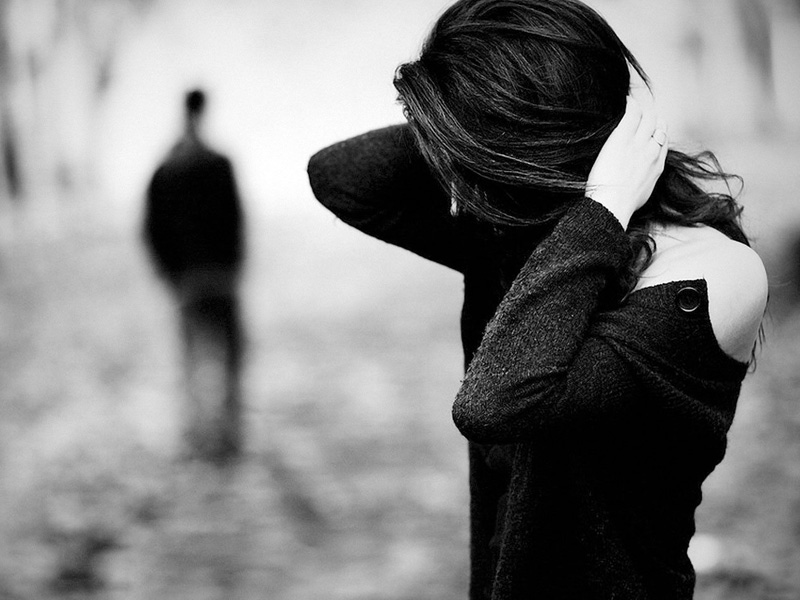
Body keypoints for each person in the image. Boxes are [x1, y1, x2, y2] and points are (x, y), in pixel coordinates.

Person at [307, 0, 768, 597]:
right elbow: (338, 176)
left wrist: (602, 205)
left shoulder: (714, 277)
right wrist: (460, 128)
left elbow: (494, 403)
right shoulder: (520, 227)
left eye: (465, 165)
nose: (454, 196)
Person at [144, 88, 245, 464]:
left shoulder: (165, 169)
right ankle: (227, 436)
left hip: (187, 280)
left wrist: (169, 274)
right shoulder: (220, 164)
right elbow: (235, 221)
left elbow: (152, 229)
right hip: (220, 277)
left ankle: (195, 434)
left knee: (192, 361)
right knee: (229, 359)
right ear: (204, 111)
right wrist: (234, 268)